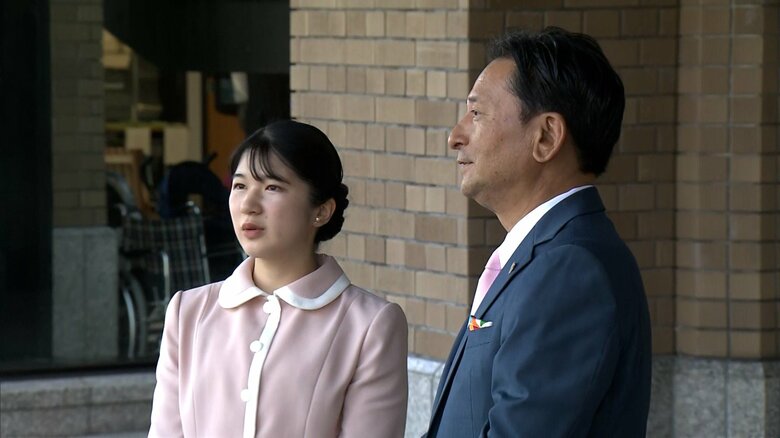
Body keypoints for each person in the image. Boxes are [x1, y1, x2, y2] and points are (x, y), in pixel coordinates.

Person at [424, 27, 652, 437]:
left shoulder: (569, 269)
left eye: (477, 114)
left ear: (546, 136)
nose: (455, 136)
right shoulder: (546, 255)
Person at [149, 120, 409, 437]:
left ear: (321, 210)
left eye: (272, 187)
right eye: (240, 186)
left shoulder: (369, 325)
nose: (248, 205)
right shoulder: (188, 312)